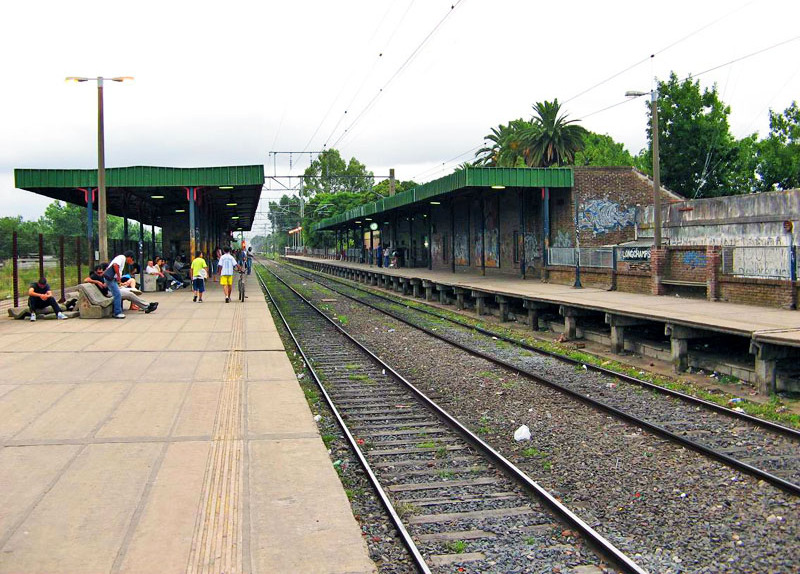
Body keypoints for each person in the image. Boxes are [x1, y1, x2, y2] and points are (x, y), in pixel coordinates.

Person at [86, 264, 158, 313]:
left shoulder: (102, 276)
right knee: (130, 294)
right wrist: (97, 282)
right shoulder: (94, 276)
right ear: (95, 272)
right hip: (108, 293)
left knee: (131, 292)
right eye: (99, 273)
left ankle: (146, 305)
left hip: (111, 290)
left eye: (102, 272)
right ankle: (147, 306)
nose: (101, 274)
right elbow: (86, 280)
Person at [104, 250, 136, 319]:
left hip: (112, 279)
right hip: (111, 279)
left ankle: (117, 311)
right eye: (132, 259)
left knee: (117, 294)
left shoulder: (122, 259)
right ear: (130, 257)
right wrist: (118, 276)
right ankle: (117, 312)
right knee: (117, 294)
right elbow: (115, 265)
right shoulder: (122, 257)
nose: (131, 261)